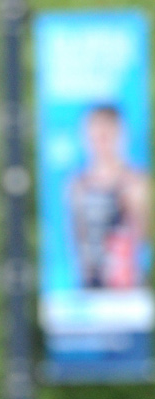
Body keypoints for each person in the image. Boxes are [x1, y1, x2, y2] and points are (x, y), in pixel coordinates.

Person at [68, 104, 151, 289]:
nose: (100, 141)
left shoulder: (135, 182)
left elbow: (144, 237)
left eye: (106, 134)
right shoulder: (77, 186)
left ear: (119, 135)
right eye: (95, 134)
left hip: (126, 284)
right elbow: (76, 240)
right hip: (90, 286)